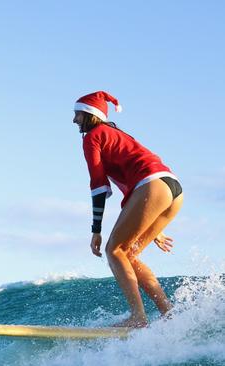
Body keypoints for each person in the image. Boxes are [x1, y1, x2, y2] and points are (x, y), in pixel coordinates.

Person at [73, 91, 184, 328]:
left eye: (78, 115)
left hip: (152, 186)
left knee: (114, 250)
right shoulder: (116, 134)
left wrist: (96, 230)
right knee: (130, 254)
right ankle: (169, 313)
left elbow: (98, 185)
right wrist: (151, 215)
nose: (74, 121)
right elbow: (131, 180)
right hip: (172, 188)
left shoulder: (93, 136)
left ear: (89, 115)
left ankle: (137, 317)